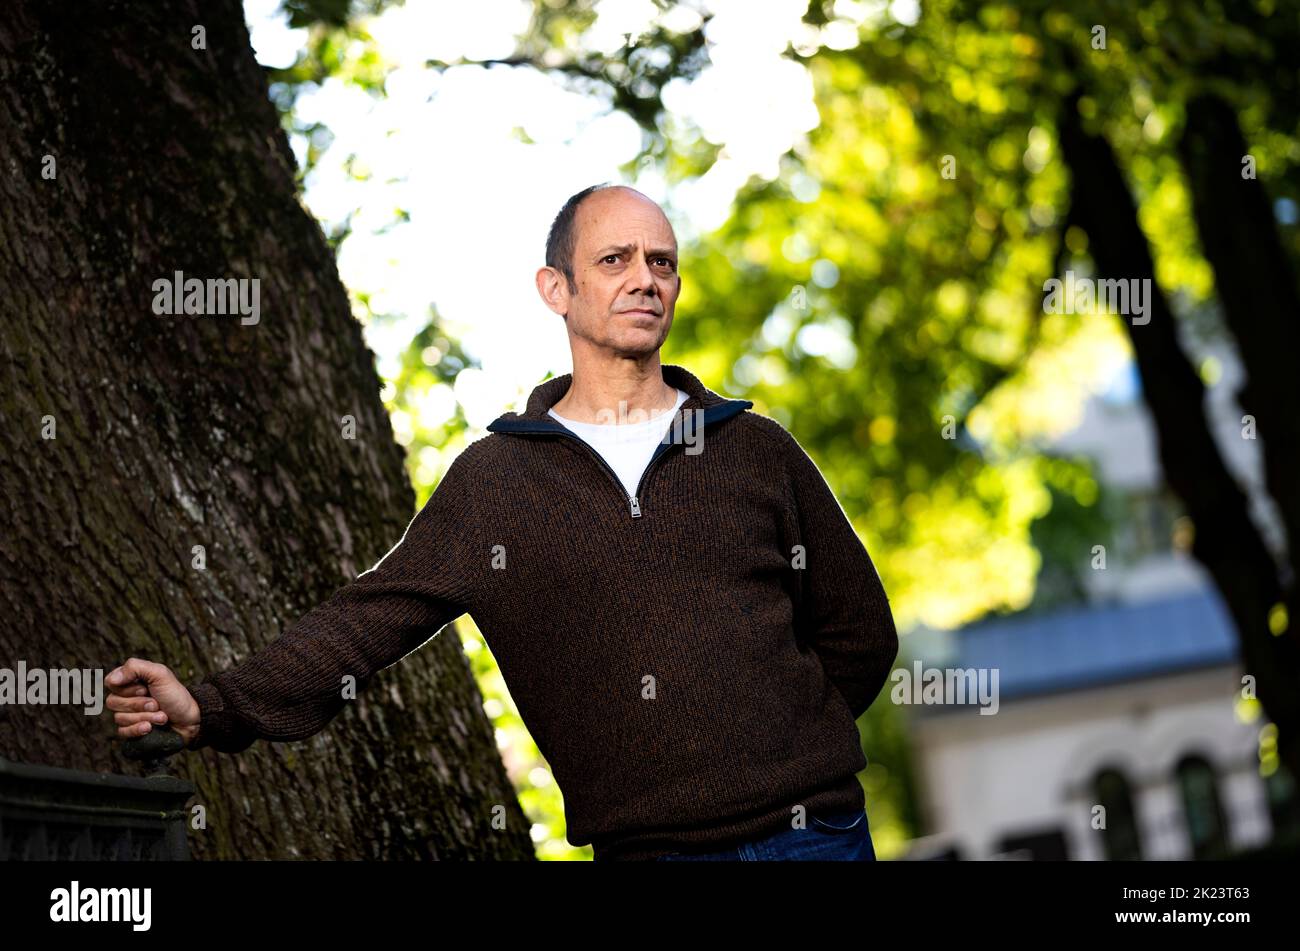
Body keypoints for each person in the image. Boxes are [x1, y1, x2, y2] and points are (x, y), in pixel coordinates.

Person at [106, 183, 899, 861]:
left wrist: (793, 746)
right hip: (649, 849)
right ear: (557, 288)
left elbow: (860, 631)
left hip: (816, 833)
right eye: (614, 260)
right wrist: (210, 705)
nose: (645, 280)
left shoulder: (753, 448)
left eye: (662, 262)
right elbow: (364, 622)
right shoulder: (497, 482)